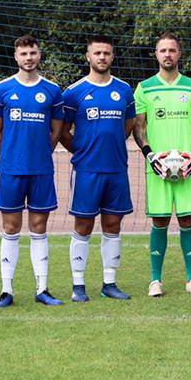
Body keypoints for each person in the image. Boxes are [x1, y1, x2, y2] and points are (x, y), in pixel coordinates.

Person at [0, 35, 66, 306]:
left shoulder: (52, 90)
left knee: (39, 226)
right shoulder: (1, 89)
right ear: (16, 56)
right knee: (10, 227)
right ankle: (6, 290)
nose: (28, 58)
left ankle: (42, 288)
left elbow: (56, 130)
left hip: (41, 169)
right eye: (24, 54)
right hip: (11, 169)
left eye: (33, 53)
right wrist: (9, 154)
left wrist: (42, 151)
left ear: (39, 55)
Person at [56, 36, 135, 302]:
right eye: (97, 53)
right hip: (86, 170)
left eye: (107, 53)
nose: (102, 57)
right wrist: (81, 149)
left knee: (113, 224)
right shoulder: (73, 92)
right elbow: (62, 131)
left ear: (113, 57)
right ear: (88, 56)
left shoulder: (124, 90)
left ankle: (109, 283)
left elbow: (128, 125)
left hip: (116, 169)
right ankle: (78, 285)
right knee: (83, 224)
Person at [133, 33, 191, 297]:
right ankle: (156, 280)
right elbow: (139, 126)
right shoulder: (144, 88)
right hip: (157, 167)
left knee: (188, 219)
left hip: (188, 166)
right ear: (156, 54)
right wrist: (150, 156)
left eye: (172, 50)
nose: (167, 54)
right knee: (160, 220)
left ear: (180, 54)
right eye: (162, 50)